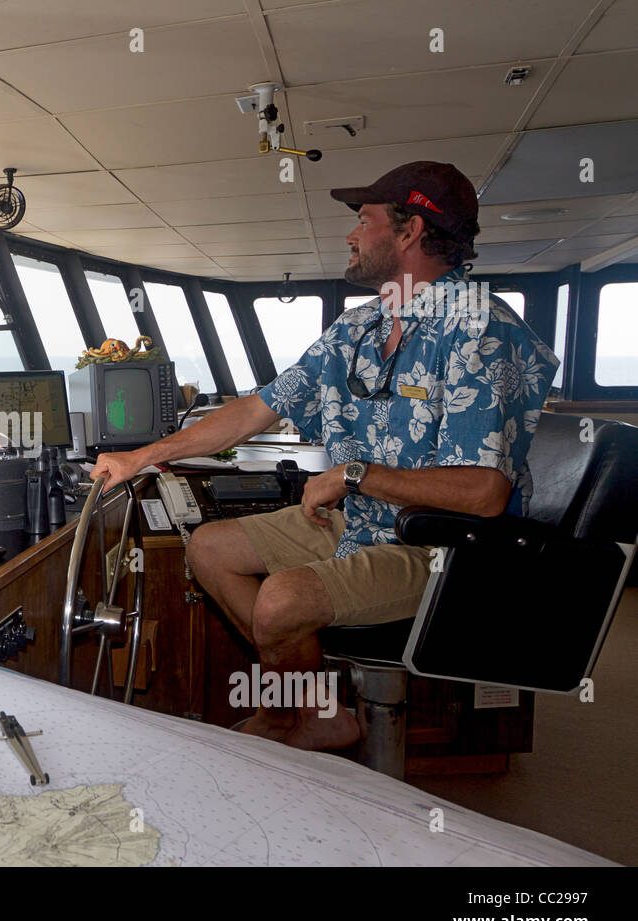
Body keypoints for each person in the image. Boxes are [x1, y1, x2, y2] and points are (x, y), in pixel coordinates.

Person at [91, 161, 558, 751]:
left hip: (442, 546)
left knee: (281, 599)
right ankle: (314, 712)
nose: (351, 235)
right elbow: (257, 409)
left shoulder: (481, 329)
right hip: (357, 521)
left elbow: (485, 494)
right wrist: (143, 457)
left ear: (409, 230)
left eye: (364, 221)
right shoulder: (357, 327)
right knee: (209, 547)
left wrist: (356, 474)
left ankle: (296, 721)